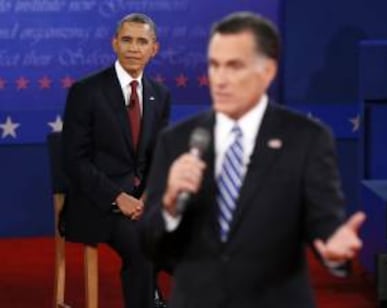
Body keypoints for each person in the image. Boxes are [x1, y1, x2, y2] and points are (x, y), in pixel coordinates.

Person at [142, 11, 366, 308]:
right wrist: (169, 205)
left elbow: (323, 219)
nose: (220, 79)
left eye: (234, 66)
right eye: (214, 66)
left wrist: (334, 249)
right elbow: (149, 244)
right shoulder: (178, 140)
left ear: (268, 71)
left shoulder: (306, 138)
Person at [62, 13, 170, 308]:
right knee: (143, 245)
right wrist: (117, 197)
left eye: (141, 41)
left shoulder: (160, 95)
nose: (134, 48)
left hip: (145, 204)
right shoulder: (86, 91)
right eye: (127, 40)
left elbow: (160, 156)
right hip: (98, 204)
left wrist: (148, 196)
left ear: (154, 49)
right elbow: (73, 159)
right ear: (114, 44)